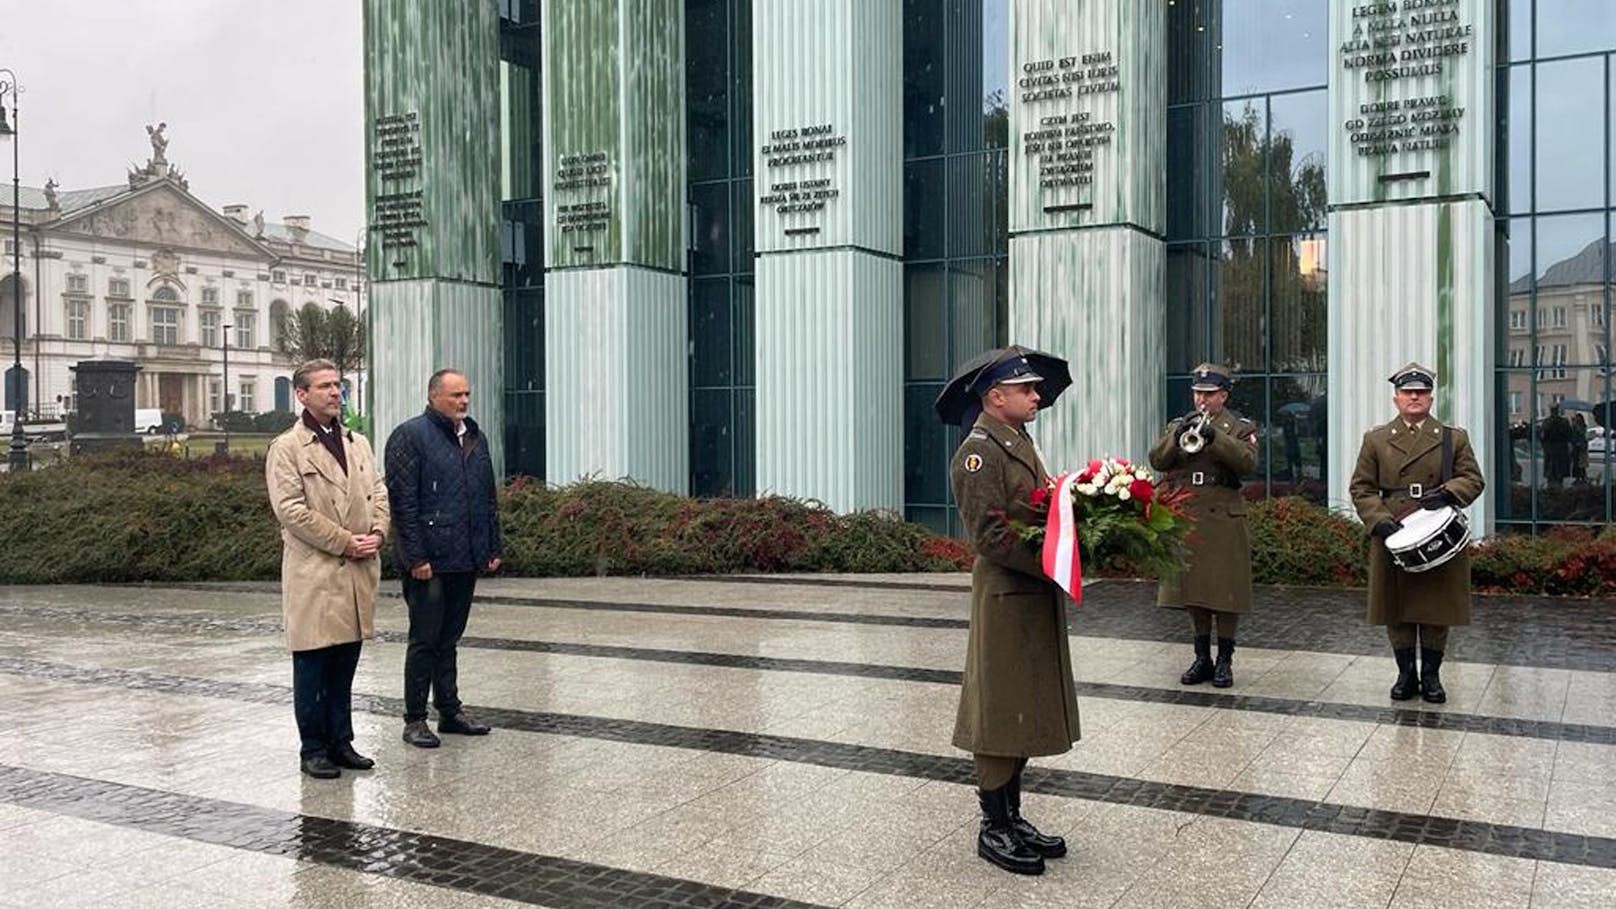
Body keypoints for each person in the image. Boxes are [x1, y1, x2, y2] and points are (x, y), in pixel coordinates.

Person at [950, 350, 1079, 877]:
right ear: (994, 396)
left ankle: (1013, 815)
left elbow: (1040, 511)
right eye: (1025, 389)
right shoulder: (978, 454)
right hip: (1008, 595)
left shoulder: (1019, 442)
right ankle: (992, 826)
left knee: (1024, 704)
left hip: (1029, 594)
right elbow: (991, 537)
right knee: (1002, 711)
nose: (1036, 396)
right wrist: (1053, 563)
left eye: (1034, 389)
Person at [266, 359, 390, 779]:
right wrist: (344, 541)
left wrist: (378, 532)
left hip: (356, 572)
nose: (335, 393)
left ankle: (342, 741)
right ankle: (313, 747)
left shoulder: (358, 442)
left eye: (337, 385)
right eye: (324, 386)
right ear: (301, 394)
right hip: (316, 574)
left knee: (344, 664)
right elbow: (291, 510)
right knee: (313, 665)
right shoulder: (287, 447)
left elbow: (379, 489)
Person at [1350, 363, 1484, 704]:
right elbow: (1362, 487)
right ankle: (1405, 674)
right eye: (1408, 392)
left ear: (1430, 397)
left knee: (1436, 608)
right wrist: (1377, 519)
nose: (1415, 397)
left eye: (1421, 392)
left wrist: (1451, 492)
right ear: (1396, 399)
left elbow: (1473, 479)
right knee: (1397, 607)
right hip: (1394, 531)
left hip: (1436, 530)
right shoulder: (1376, 439)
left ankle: (1432, 677)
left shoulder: (1453, 437)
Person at [385, 369, 503, 749]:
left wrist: (491, 546)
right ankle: (415, 719)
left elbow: (487, 497)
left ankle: (450, 711)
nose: (464, 401)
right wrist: (414, 556)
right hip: (428, 561)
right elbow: (403, 503)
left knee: (449, 637)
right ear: (434, 396)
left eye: (467, 394)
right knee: (424, 639)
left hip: (464, 557)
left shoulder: (474, 436)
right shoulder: (410, 436)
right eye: (455, 395)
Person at [1148, 363, 1258, 688]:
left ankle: (1225, 660)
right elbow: (1157, 459)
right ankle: (1201, 658)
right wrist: (1178, 434)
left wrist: (1217, 438)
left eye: (1209, 394)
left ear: (1223, 395)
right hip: (1187, 512)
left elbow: (1248, 463)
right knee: (1193, 590)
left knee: (1224, 591)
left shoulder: (1239, 427)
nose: (1202, 400)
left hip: (1222, 513)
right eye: (1198, 393)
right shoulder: (1180, 423)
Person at [1539, 405, 1573, 487]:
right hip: (1560, 448)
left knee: (1551, 471)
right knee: (1559, 472)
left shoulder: (1546, 422)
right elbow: (1569, 435)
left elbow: (1542, 436)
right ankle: (1557, 486)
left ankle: (1552, 486)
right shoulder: (1564, 421)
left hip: (1550, 448)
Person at [1571, 413, 1589, 483]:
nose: (1577, 419)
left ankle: (1583, 477)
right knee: (1576, 463)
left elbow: (1582, 433)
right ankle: (1577, 478)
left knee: (1582, 463)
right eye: (1576, 418)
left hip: (1581, 447)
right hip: (1575, 446)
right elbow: (1572, 435)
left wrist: (1576, 426)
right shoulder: (1574, 426)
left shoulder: (1583, 426)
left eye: (1578, 418)